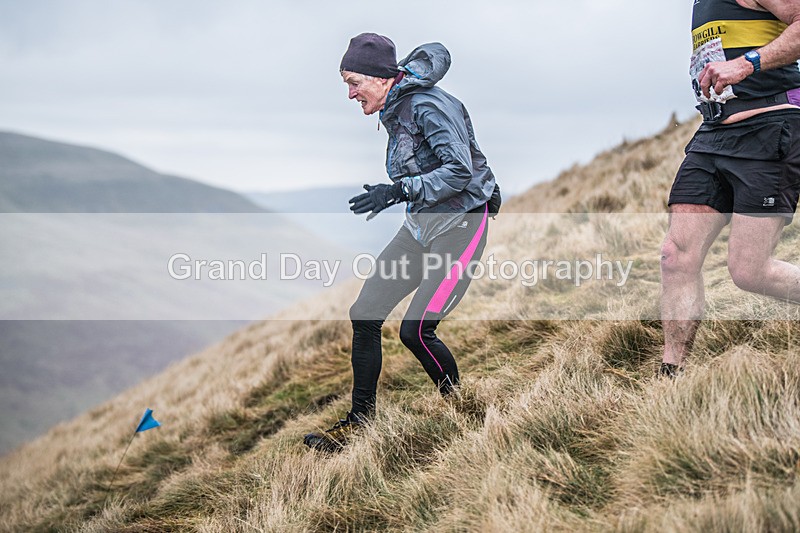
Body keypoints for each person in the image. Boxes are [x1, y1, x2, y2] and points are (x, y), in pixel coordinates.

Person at [304, 33, 500, 451]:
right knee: (365, 314)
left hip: (462, 226)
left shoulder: (428, 105)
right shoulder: (396, 106)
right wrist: (398, 195)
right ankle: (360, 425)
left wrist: (397, 191)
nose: (351, 94)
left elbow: (459, 171)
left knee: (416, 331)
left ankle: (466, 416)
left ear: (379, 77)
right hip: (420, 228)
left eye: (354, 83)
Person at [660, 0, 800, 377]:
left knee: (749, 271)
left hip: (769, 127)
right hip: (713, 134)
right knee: (675, 255)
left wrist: (745, 64)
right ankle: (671, 374)